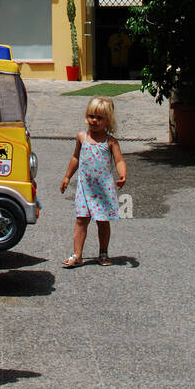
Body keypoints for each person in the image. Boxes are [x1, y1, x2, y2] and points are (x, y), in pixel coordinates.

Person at [60, 97, 127, 267]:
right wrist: (67, 176)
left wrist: (122, 175)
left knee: (103, 222)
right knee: (81, 220)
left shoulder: (110, 142)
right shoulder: (82, 137)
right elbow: (75, 157)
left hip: (103, 189)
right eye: (91, 116)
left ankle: (103, 253)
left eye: (99, 118)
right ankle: (77, 254)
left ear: (108, 121)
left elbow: (119, 160)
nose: (94, 121)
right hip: (84, 188)